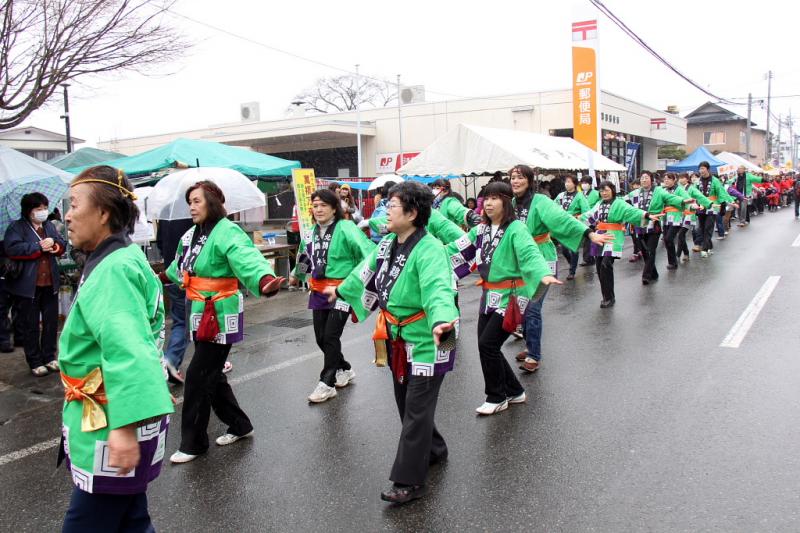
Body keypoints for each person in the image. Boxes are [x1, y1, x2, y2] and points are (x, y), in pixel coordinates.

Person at [323, 181, 458, 504]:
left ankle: (409, 480)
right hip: (399, 336)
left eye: (392, 206)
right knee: (406, 402)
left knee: (416, 407)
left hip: (434, 336)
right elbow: (364, 272)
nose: (385, 211)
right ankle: (434, 448)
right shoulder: (387, 244)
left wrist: (442, 320)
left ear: (412, 213)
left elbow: (439, 289)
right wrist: (340, 290)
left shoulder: (430, 249)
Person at [59, 165, 173, 532]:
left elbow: (129, 348)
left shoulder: (113, 270)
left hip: (113, 418)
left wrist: (124, 426)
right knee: (131, 520)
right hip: (117, 411)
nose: (67, 215)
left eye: (74, 204)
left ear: (104, 212)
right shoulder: (123, 256)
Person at [165, 181, 285, 464]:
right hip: (198, 309)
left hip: (219, 312)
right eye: (189, 202)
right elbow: (178, 266)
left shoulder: (227, 231)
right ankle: (240, 425)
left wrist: (264, 279)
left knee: (198, 376)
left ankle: (194, 443)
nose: (192, 207)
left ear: (212, 202)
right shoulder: (191, 234)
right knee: (212, 374)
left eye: (197, 201)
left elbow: (246, 256)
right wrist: (158, 276)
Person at [447, 181, 560, 415]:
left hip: (512, 295)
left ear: (506, 202)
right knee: (487, 345)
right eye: (486, 198)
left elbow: (530, 253)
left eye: (495, 198)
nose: (488, 203)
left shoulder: (516, 228)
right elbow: (457, 248)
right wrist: (427, 255)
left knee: (488, 344)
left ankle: (496, 396)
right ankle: (515, 391)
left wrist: (542, 273)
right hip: (489, 295)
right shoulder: (481, 230)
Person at [508, 165, 612, 372]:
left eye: (520, 177)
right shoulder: (510, 203)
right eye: (512, 178)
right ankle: (530, 345)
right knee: (522, 305)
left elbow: (562, 219)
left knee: (532, 308)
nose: (515, 181)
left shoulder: (541, 201)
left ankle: (534, 355)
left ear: (529, 180)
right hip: (521, 261)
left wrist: (589, 234)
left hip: (542, 259)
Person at [290, 188, 375, 403]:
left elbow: (368, 254)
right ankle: (344, 368)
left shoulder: (346, 228)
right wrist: (295, 275)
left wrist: (358, 282)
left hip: (341, 291)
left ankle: (327, 383)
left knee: (330, 336)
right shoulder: (310, 232)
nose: (318, 209)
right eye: (315, 206)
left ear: (334, 208)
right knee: (321, 338)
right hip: (318, 290)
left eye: (323, 205)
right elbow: (304, 257)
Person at [3, 192, 66, 376]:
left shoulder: (49, 226)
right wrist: (38, 247)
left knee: (50, 322)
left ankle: (49, 356)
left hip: (50, 283)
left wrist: (54, 244)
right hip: (28, 286)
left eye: (45, 208)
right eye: (39, 208)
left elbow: (61, 243)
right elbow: (12, 248)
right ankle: (35, 361)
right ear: (29, 210)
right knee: (30, 325)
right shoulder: (17, 227)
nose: (43, 211)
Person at [581, 181, 658, 308]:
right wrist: (574, 219)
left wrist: (646, 215)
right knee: (599, 267)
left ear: (612, 190)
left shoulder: (619, 203)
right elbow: (589, 216)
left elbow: (632, 211)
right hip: (599, 236)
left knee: (606, 264)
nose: (604, 193)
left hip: (613, 236)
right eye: (601, 191)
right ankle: (606, 295)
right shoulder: (599, 204)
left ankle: (609, 298)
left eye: (606, 190)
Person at [625, 171, 688, 283]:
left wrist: (685, 201)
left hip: (654, 224)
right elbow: (621, 201)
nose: (644, 180)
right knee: (644, 251)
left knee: (651, 250)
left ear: (651, 180)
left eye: (646, 178)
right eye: (642, 178)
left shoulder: (659, 191)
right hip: (640, 224)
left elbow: (671, 198)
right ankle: (653, 273)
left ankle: (646, 276)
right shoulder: (635, 193)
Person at [155, 217, 194, 383]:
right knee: (189, 321)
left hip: (170, 272)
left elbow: (159, 241)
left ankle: (171, 361)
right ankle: (170, 360)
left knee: (180, 321)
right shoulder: (197, 215)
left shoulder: (167, 212)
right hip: (190, 277)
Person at [695, 161, 735, 258]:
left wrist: (722, 205)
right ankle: (709, 247)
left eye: (703, 168)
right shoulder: (697, 181)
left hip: (713, 206)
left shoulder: (715, 180)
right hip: (701, 206)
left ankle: (704, 249)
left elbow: (721, 193)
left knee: (708, 228)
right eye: (700, 169)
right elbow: (694, 193)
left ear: (708, 169)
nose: (701, 171)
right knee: (702, 228)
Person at [554, 175, 590, 279]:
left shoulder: (580, 196)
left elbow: (586, 211)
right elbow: (553, 206)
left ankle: (572, 271)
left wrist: (580, 219)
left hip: (575, 225)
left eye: (569, 182)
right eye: (566, 182)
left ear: (574, 184)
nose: (567, 184)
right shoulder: (561, 195)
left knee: (574, 248)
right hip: (563, 225)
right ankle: (572, 264)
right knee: (564, 250)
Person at [578, 176, 600, 266]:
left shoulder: (596, 193)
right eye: (582, 183)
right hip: (583, 218)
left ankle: (589, 258)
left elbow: (600, 205)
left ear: (590, 184)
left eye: (585, 183)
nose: (583, 185)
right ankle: (589, 258)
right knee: (587, 239)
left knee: (589, 239)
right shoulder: (580, 194)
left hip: (593, 219)